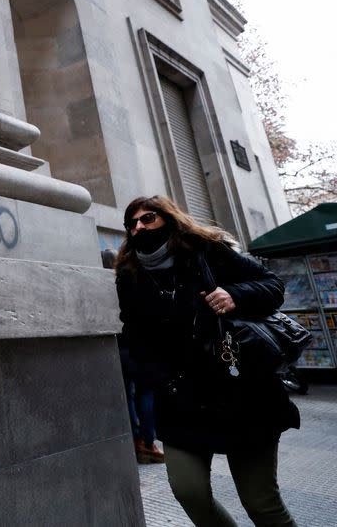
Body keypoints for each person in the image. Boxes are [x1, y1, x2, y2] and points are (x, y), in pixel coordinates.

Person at [115, 195, 299, 526]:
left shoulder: (206, 251)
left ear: (169, 218)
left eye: (148, 219)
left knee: (261, 502)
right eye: (132, 223)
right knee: (189, 491)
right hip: (180, 401)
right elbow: (134, 334)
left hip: (244, 394)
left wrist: (235, 296)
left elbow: (272, 285)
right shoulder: (130, 274)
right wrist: (162, 381)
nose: (139, 227)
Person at [103, 249, 164, 464]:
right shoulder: (127, 279)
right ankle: (149, 442)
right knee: (146, 391)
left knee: (128, 392)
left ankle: (136, 439)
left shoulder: (99, 284)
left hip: (114, 346)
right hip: (133, 344)